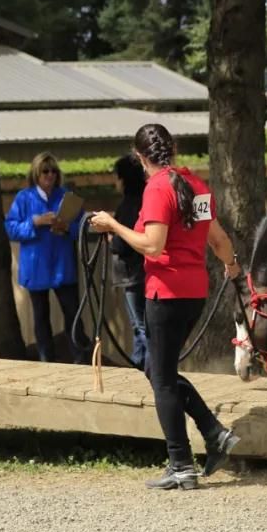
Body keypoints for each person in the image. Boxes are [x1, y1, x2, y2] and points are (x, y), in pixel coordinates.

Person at [90, 123, 243, 490]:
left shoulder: (157, 188)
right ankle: (213, 434)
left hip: (166, 292)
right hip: (195, 293)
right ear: (171, 149)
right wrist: (232, 266)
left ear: (140, 157)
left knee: (160, 378)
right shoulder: (198, 185)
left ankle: (182, 463)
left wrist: (112, 224)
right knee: (162, 372)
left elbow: (153, 245)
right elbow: (218, 239)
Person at [5, 152, 88, 364]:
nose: (49, 175)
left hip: (63, 266)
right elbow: (11, 229)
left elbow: (82, 226)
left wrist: (67, 227)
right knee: (41, 318)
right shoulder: (24, 198)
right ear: (36, 173)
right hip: (36, 267)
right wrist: (35, 223)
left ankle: (80, 358)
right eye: (45, 171)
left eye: (53, 171)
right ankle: (46, 360)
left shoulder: (66, 196)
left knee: (73, 315)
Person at [110, 154, 148, 371]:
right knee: (139, 324)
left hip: (131, 274)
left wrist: (111, 237)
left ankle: (150, 364)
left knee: (140, 324)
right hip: (143, 271)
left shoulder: (127, 206)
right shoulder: (145, 200)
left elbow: (122, 244)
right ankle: (139, 363)